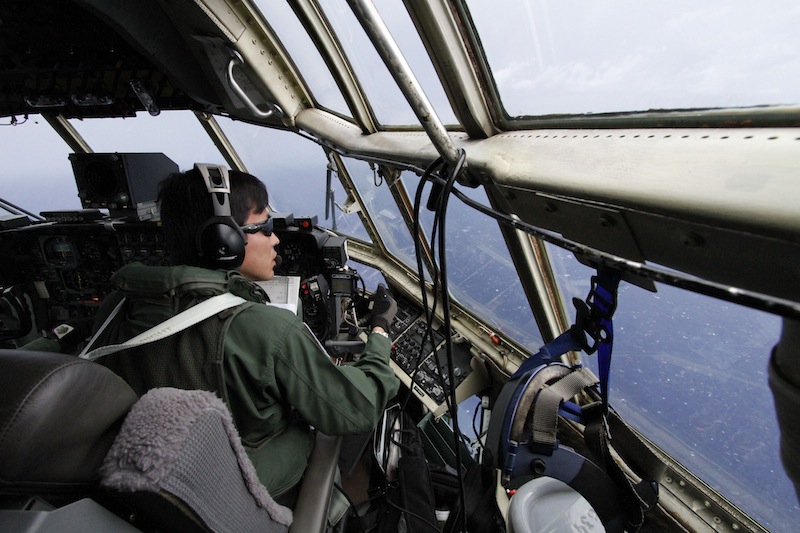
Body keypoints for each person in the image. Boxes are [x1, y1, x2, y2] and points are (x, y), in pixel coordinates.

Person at [73, 165, 400, 503]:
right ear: (223, 240)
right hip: (227, 490)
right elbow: (357, 408)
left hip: (144, 481)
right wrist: (379, 331)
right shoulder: (265, 328)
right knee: (313, 424)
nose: (275, 239)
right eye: (264, 227)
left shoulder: (115, 305)